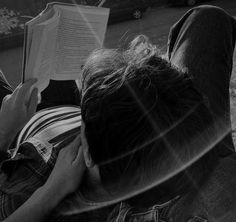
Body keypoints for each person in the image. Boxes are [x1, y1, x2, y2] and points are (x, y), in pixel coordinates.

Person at [0, 4, 236, 222]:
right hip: (155, 134)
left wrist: (6, 130)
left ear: (89, 155)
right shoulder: (206, 170)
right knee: (208, 19)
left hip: (26, 123)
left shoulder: (26, 198)